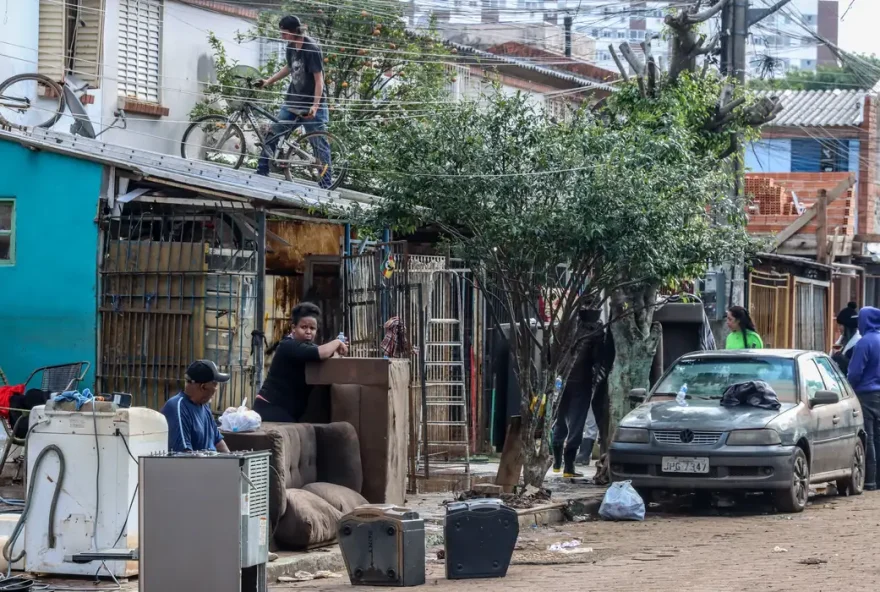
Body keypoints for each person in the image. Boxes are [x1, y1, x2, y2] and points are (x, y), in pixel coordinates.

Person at [255, 15, 332, 186]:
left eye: (283, 32)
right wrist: (268, 81)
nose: (281, 35)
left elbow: (319, 79)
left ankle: (326, 184)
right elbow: (290, 67)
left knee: (319, 143)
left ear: (293, 31)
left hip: (312, 105)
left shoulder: (311, 48)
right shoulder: (291, 46)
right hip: (293, 101)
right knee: (274, 132)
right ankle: (262, 171)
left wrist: (315, 105)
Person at [255, 302, 348, 422]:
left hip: (287, 411)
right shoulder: (288, 345)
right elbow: (320, 353)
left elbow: (324, 360)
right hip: (270, 408)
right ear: (293, 328)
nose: (308, 331)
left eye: (312, 328)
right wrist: (337, 343)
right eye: (304, 327)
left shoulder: (308, 348)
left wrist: (338, 352)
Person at [161, 360, 230, 453]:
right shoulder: (177, 407)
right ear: (203, 387)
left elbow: (218, 441)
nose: (216, 389)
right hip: (196, 466)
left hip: (210, 464)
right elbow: (185, 454)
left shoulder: (204, 407)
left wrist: (233, 462)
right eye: (215, 384)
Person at [848, 306, 880, 491]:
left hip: (866, 395)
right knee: (878, 437)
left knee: (868, 436)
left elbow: (855, 372)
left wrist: (848, 386)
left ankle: (869, 480)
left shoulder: (864, 342)